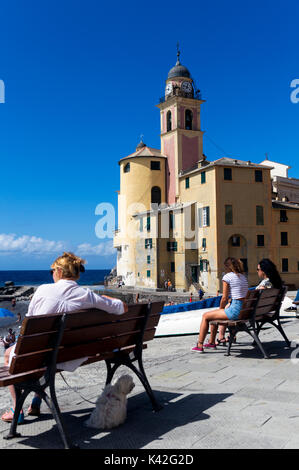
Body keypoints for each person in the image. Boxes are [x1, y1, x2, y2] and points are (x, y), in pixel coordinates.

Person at [1, 252, 128, 425]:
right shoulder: (87, 295)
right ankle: (36, 402)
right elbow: (122, 308)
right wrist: (105, 297)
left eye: (52, 270)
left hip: (38, 356)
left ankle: (17, 409)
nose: (51, 274)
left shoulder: (43, 290)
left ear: (59, 271)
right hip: (69, 356)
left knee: (9, 354)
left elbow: (28, 325)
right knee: (50, 351)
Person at [191, 257, 248, 353]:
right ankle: (211, 342)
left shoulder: (227, 277)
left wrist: (221, 309)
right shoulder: (243, 277)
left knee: (205, 316)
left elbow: (224, 298)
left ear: (227, 267)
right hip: (244, 310)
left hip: (235, 312)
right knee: (214, 314)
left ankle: (200, 345)